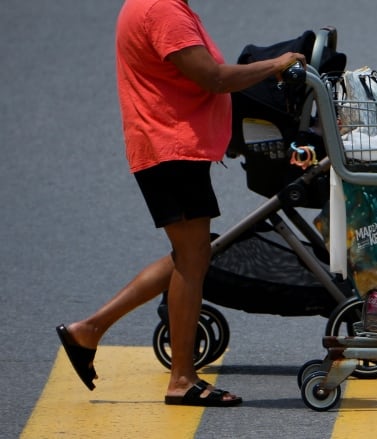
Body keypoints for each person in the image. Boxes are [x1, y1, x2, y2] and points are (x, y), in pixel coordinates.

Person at [55, 0, 306, 406]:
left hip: (167, 146)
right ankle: (182, 380)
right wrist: (275, 65)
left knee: (191, 254)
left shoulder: (155, 5)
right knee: (192, 261)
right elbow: (214, 78)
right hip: (170, 149)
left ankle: (89, 330)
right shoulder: (162, 10)